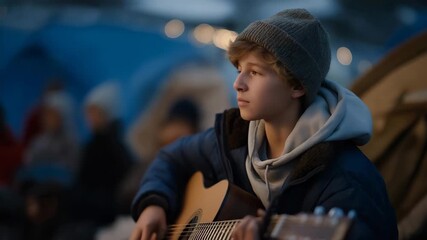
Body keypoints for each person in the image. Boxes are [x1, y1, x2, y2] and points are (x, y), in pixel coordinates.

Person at [130, 8, 398, 240]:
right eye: (239, 70)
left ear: (295, 85)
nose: (238, 84)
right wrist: (154, 203)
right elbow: (170, 158)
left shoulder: (347, 182)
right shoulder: (232, 139)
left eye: (255, 72)